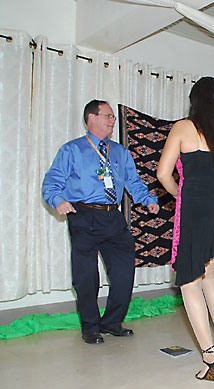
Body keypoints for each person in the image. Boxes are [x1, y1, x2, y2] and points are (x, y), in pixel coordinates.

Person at [42, 100, 159, 345]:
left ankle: (112, 322)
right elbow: (52, 182)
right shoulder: (72, 150)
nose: (112, 121)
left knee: (124, 272)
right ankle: (90, 326)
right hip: (83, 215)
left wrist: (147, 199)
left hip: (113, 216)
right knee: (86, 277)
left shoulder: (119, 152)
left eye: (113, 117)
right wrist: (58, 200)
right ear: (91, 118)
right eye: (108, 116)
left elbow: (133, 181)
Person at [157, 77, 214, 382]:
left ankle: (209, 356)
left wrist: (181, 194)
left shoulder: (183, 127)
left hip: (195, 209)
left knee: (189, 282)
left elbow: (162, 174)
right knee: (210, 277)